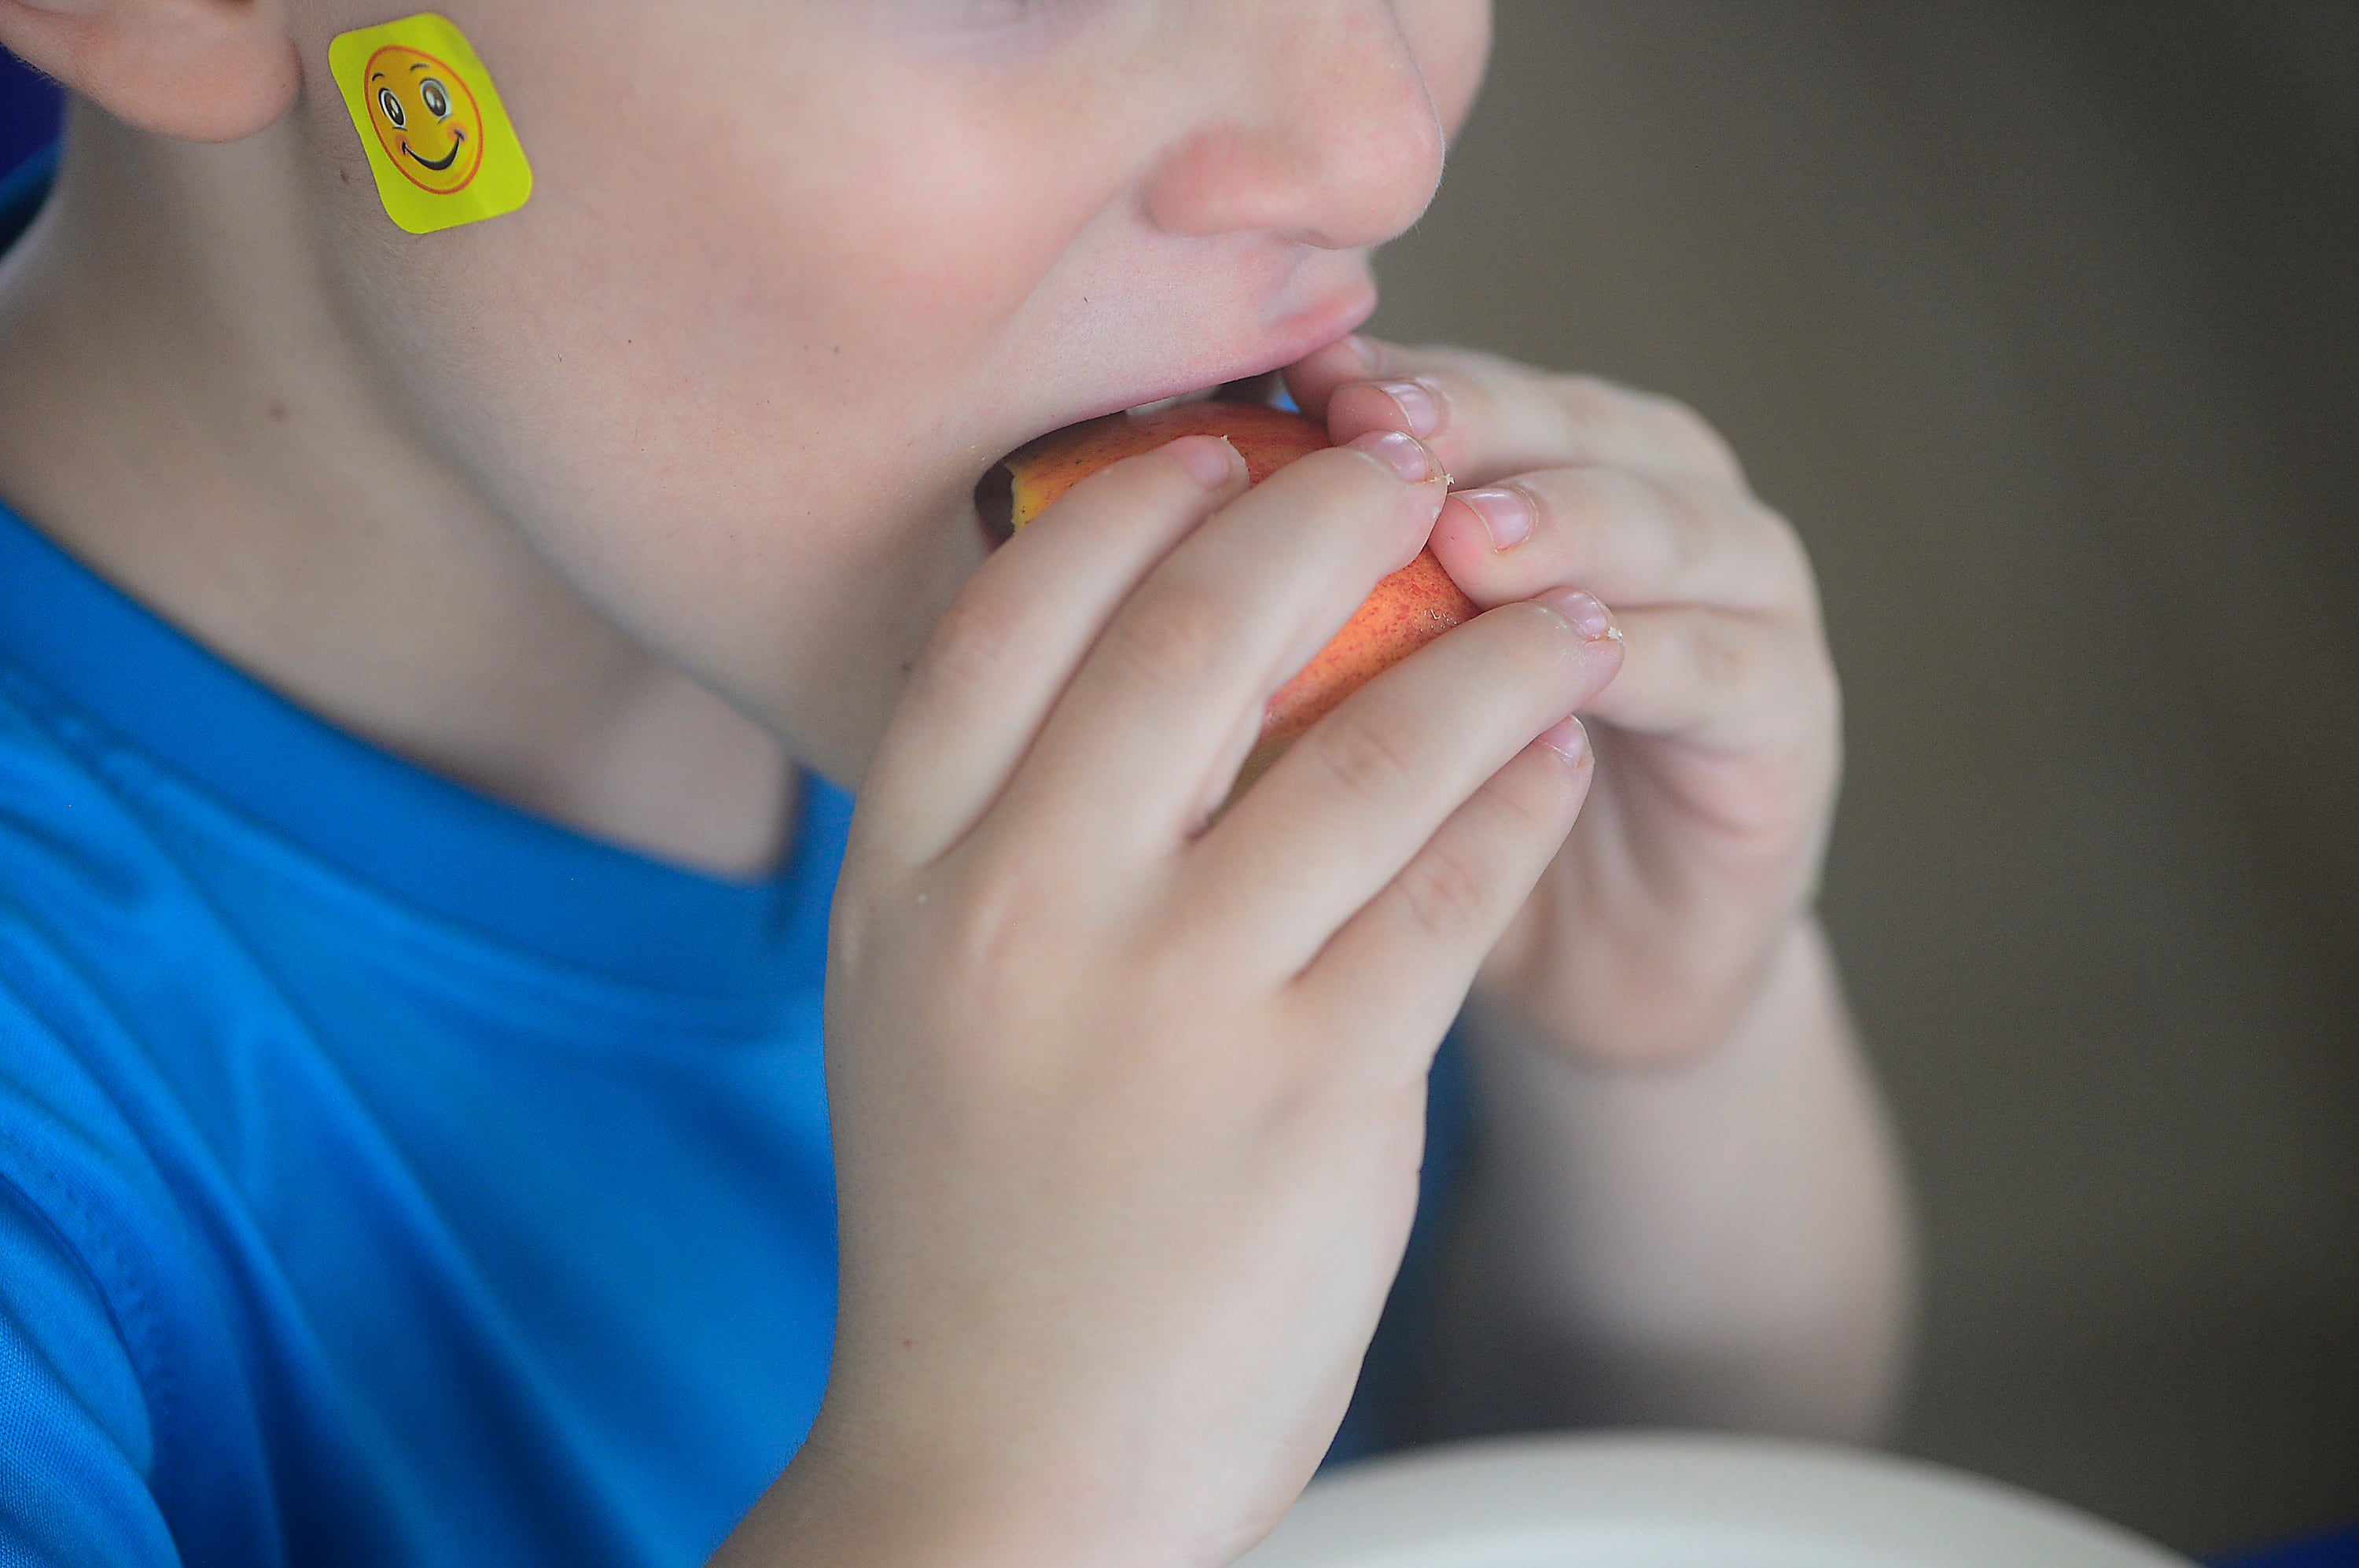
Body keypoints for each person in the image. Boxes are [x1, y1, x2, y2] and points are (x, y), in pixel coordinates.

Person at [0, 3, 1911, 1563]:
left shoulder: (1004, 568)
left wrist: (1654, 1052)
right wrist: (1004, 1495)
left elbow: (1618, 1494)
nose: (1373, 134)